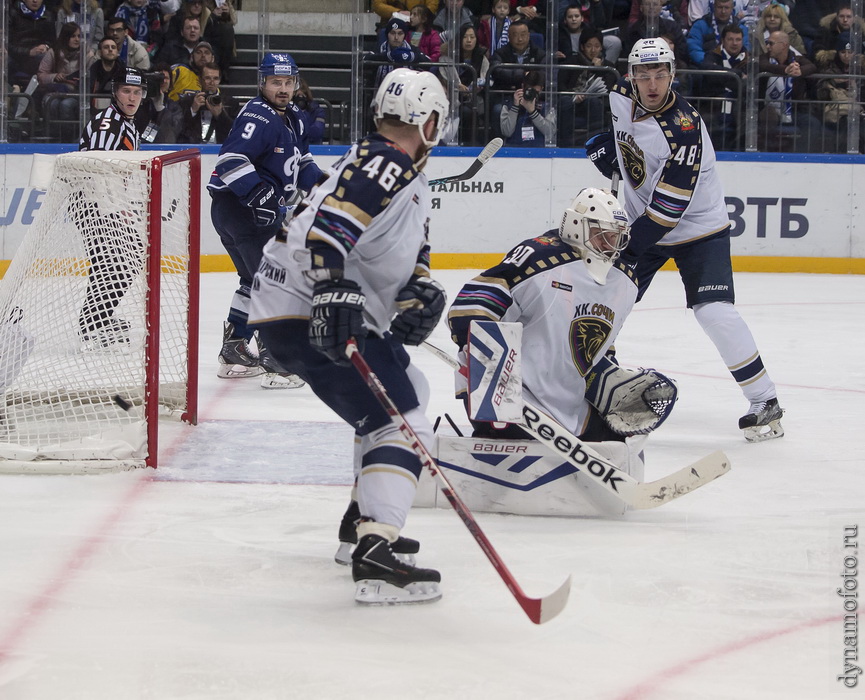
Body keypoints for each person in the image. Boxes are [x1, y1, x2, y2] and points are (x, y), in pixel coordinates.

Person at [246, 68, 449, 605]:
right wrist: (333, 289)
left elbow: (398, 249)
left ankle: (360, 525)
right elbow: (330, 230)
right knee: (403, 424)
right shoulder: (388, 161)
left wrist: (420, 291)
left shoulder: (389, 166)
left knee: (412, 391)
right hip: (309, 309)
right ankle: (376, 554)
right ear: (430, 122)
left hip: (294, 308)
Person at [585, 38, 784, 441]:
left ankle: (765, 400)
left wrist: (623, 246)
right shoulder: (620, 94)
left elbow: (666, 213)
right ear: (631, 77)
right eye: (644, 74)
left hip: (697, 228)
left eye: (661, 74)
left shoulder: (684, 129)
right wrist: (611, 150)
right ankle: (595, 380)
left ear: (673, 76)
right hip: (645, 218)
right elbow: (624, 134)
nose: (653, 83)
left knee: (714, 310)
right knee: (602, 299)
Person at [445, 188, 674, 506]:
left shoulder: (625, 280)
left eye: (617, 237)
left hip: (567, 399)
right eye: (602, 236)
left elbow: (600, 348)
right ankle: (491, 442)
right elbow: (472, 301)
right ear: (577, 227)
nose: (611, 246)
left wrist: (609, 378)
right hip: (512, 392)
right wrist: (479, 341)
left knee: (617, 443)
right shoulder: (540, 256)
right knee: (508, 436)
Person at [207, 53, 322, 389]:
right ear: (263, 83)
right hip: (241, 211)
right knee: (275, 282)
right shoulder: (258, 116)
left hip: (241, 214)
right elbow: (230, 159)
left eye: (288, 83)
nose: (282, 89)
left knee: (253, 281)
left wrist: (328, 189)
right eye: (276, 82)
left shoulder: (295, 119)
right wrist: (258, 195)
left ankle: (235, 352)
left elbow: (303, 166)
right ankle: (277, 360)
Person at [76, 67, 146, 345]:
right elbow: (98, 170)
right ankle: (93, 325)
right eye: (126, 91)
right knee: (115, 261)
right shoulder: (110, 123)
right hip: (94, 202)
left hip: (108, 202)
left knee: (125, 258)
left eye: (137, 92)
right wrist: (114, 208)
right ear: (115, 92)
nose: (132, 97)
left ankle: (97, 319)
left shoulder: (126, 123)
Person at [758, 29, 823, 152]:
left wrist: (800, 72)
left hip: (794, 110)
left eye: (771, 43)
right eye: (768, 43)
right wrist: (785, 70)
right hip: (768, 108)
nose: (768, 46)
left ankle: (801, 156)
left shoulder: (797, 60)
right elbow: (764, 66)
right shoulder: (764, 58)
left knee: (813, 124)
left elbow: (812, 67)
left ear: (784, 46)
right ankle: (769, 154)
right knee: (768, 116)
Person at [697, 23, 748, 150]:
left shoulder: (748, 59)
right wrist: (737, 75)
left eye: (738, 40)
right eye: (730, 39)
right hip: (714, 105)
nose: (734, 43)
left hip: (739, 105)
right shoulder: (712, 55)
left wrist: (723, 77)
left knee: (746, 122)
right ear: (723, 41)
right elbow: (709, 72)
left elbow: (747, 85)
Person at [176, 62, 235, 143]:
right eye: (207, 78)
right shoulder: (188, 101)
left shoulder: (230, 102)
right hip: (194, 148)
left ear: (220, 80)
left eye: (215, 78)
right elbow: (178, 129)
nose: (212, 82)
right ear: (199, 79)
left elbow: (235, 131)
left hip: (220, 149)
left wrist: (220, 115)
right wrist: (192, 111)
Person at [8, 0, 57, 91]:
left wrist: (45, 47)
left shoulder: (48, 15)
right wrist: (29, 52)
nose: (35, 1)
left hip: (38, 56)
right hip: (16, 56)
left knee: (48, 59)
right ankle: (11, 92)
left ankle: (41, 97)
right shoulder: (12, 13)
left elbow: (52, 41)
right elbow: (7, 44)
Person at [500, 69, 556, 146]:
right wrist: (515, 107)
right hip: (514, 149)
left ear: (541, 89)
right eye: (529, 90)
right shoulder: (508, 105)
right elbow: (507, 132)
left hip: (539, 151)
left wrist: (533, 112)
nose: (532, 95)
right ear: (523, 86)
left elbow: (550, 132)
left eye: (536, 92)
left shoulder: (547, 107)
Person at [686, 0, 749, 66]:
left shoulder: (740, 27)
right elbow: (694, 49)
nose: (723, 11)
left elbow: (746, 48)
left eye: (726, 8)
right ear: (714, 7)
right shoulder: (700, 25)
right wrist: (709, 63)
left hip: (735, 68)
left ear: (732, 8)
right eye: (720, 7)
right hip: (706, 69)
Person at [293, 77, 327, 145]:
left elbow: (317, 132)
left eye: (303, 94)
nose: (300, 97)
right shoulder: (285, 111)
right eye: (297, 94)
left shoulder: (317, 111)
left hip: (313, 148)